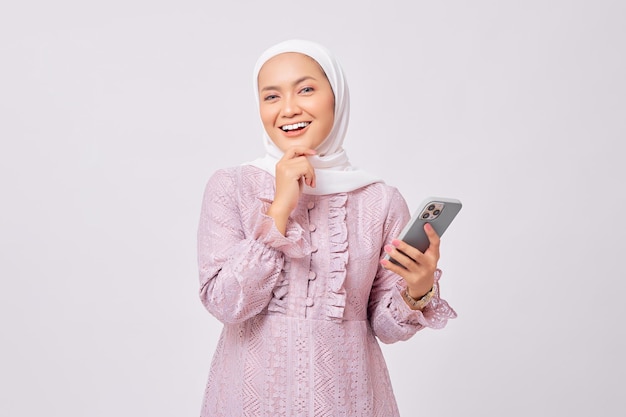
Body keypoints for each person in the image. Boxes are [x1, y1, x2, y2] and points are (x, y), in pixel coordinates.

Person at [196, 39, 457, 417]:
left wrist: (418, 289)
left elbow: (385, 327)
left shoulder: (379, 200)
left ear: (336, 96)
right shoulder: (231, 187)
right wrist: (280, 209)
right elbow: (225, 303)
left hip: (348, 400)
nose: (288, 109)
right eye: (271, 96)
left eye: (305, 89)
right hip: (248, 400)